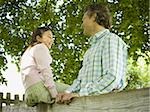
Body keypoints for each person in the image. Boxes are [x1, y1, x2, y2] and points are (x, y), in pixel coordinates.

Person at [56, 3, 128, 104]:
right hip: (87, 105)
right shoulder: (90, 51)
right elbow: (80, 81)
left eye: (84, 19)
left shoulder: (111, 40)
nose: (82, 25)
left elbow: (112, 77)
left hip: (105, 105)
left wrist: (81, 94)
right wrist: (67, 92)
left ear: (94, 16)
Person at [20, 26, 69, 107]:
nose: (51, 40)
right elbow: (46, 72)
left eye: (52, 38)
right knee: (73, 90)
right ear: (39, 38)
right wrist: (54, 95)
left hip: (29, 92)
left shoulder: (28, 51)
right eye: (49, 37)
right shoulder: (41, 47)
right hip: (39, 89)